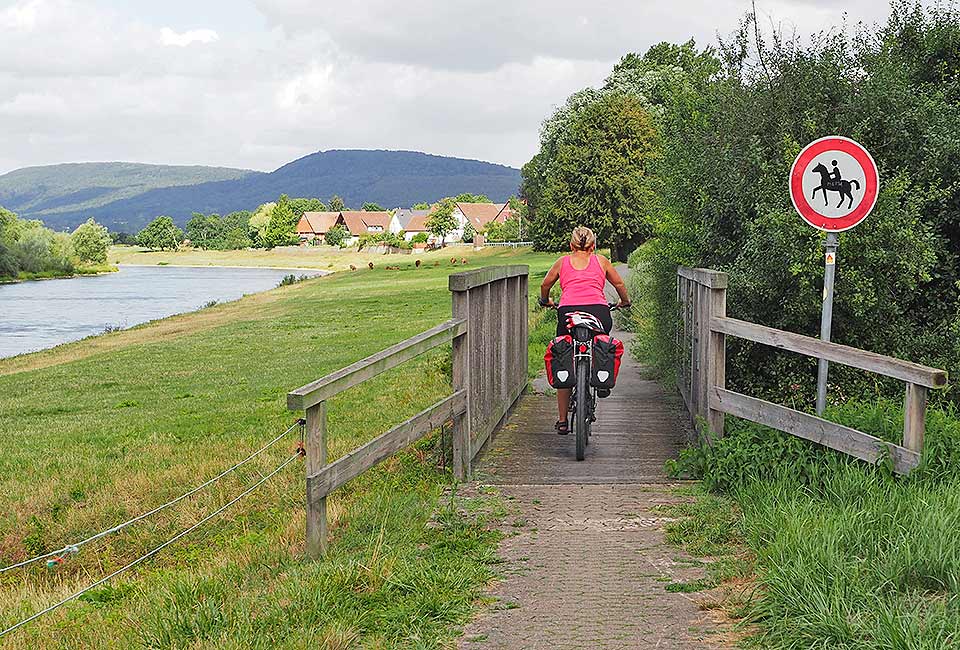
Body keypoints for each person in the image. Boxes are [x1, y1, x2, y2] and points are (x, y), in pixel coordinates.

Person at [538, 226, 630, 434]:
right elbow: (619, 283)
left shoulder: (562, 262)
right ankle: (602, 378)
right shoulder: (602, 261)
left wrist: (546, 301)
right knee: (601, 341)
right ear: (593, 246)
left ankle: (562, 421)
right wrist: (625, 301)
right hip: (598, 312)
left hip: (568, 312)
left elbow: (545, 284)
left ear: (571, 245)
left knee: (563, 353)